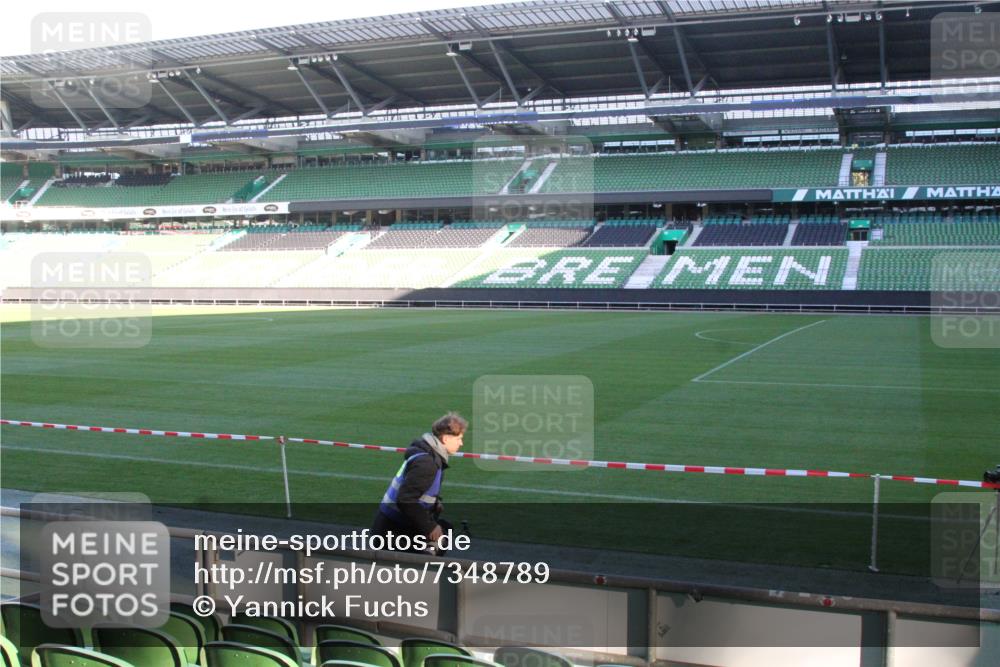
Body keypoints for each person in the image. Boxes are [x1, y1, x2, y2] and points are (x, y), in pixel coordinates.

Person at [372, 412, 467, 553]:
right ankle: (421, 567)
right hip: (392, 532)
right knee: (441, 537)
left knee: (445, 529)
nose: (461, 443)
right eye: (459, 438)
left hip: (388, 525)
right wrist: (429, 527)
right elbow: (405, 499)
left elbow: (415, 490)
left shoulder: (427, 454)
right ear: (446, 439)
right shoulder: (427, 463)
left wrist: (434, 503)